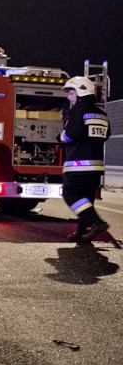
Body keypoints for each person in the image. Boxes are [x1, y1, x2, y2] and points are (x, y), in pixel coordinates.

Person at [58, 76, 111, 242]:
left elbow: (71, 135)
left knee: (70, 194)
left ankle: (96, 222)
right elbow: (106, 135)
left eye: (71, 92)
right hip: (96, 167)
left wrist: (59, 137)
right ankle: (82, 231)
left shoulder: (78, 111)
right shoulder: (102, 114)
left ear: (80, 92)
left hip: (78, 165)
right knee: (86, 200)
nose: (69, 97)